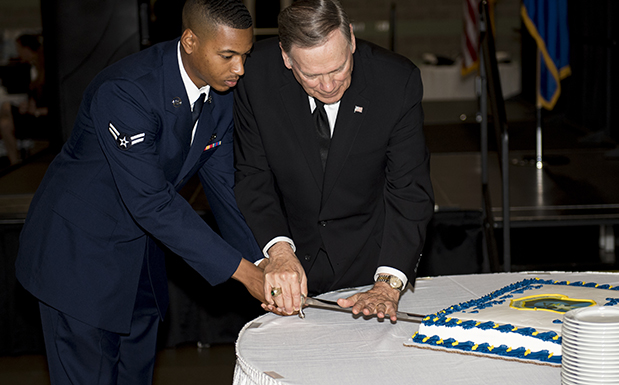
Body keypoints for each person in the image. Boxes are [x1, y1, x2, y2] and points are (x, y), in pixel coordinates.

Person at [15, 1, 263, 383]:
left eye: (245, 55)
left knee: (136, 375)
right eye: (228, 55)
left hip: (141, 261)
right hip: (80, 257)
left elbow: (225, 187)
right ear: (190, 40)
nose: (239, 69)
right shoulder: (127, 91)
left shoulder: (221, 94)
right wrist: (245, 273)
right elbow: (153, 201)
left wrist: (263, 261)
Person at [233, 0, 434, 321]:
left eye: (339, 68)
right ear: (287, 58)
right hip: (287, 257)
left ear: (351, 40)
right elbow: (252, 175)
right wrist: (279, 252)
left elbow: (408, 189)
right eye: (312, 75)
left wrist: (387, 283)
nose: (328, 86)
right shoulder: (256, 76)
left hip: (369, 257)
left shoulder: (395, 81)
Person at [0, 34, 48, 165]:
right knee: (5, 119)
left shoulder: (44, 69)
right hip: (36, 113)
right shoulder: (35, 68)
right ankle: (15, 162)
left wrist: (36, 110)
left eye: (19, 49)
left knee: (5, 118)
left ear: (27, 49)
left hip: (43, 118)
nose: (18, 53)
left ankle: (14, 161)